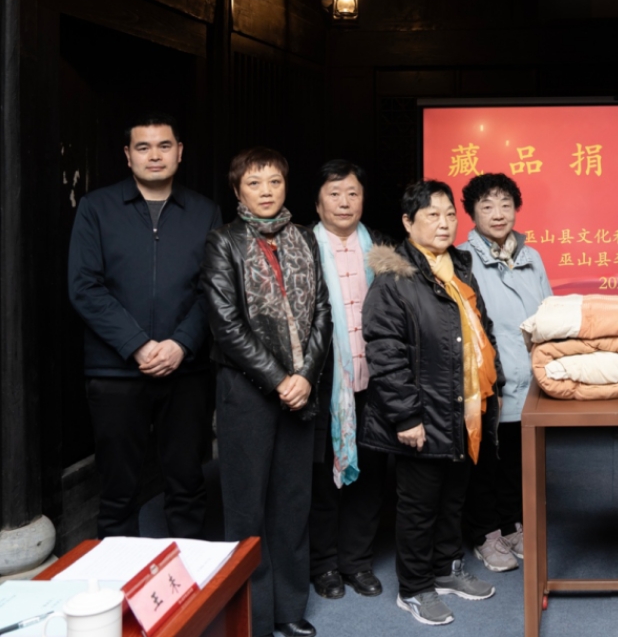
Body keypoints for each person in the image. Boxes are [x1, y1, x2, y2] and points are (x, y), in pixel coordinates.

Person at [68, 113, 220, 540]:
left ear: (180, 152)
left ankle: (188, 578)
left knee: (187, 484)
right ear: (128, 155)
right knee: (118, 491)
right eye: (143, 147)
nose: (155, 155)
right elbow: (84, 287)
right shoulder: (96, 208)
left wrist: (180, 344)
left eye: (164, 146)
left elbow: (214, 289)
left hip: (185, 371)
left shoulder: (205, 211)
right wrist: (137, 344)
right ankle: (119, 578)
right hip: (114, 371)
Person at [201, 148, 331, 637]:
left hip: (301, 389)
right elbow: (226, 325)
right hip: (247, 392)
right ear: (238, 191)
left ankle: (289, 609)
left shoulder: (304, 237)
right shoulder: (223, 242)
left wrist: (306, 375)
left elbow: (323, 311)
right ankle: (253, 617)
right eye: (254, 183)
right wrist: (280, 379)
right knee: (246, 508)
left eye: (274, 181)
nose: (266, 191)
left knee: (293, 502)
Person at [361, 180, 501, 627]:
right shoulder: (394, 279)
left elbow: (480, 331)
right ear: (408, 222)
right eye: (432, 215)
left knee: (453, 498)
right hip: (422, 414)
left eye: (449, 214)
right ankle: (415, 588)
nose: (444, 224)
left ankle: (445, 570)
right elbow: (385, 352)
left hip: (462, 408)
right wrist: (406, 416)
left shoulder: (458, 268)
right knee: (419, 507)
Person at [458, 173, 553, 573]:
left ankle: (512, 525)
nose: (498, 214)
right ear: (472, 213)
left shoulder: (533, 258)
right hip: (486, 380)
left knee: (517, 459)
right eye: (487, 206)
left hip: (530, 378)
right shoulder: (461, 259)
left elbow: (549, 315)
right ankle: (485, 533)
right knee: (484, 463)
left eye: (505, 205)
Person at [308, 160, 392, 600]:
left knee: (371, 476)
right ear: (318, 201)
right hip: (322, 384)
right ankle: (323, 564)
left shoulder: (382, 247)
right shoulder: (302, 246)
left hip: (375, 380)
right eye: (334, 193)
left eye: (353, 193)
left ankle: (356, 562)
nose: (344, 202)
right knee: (321, 477)